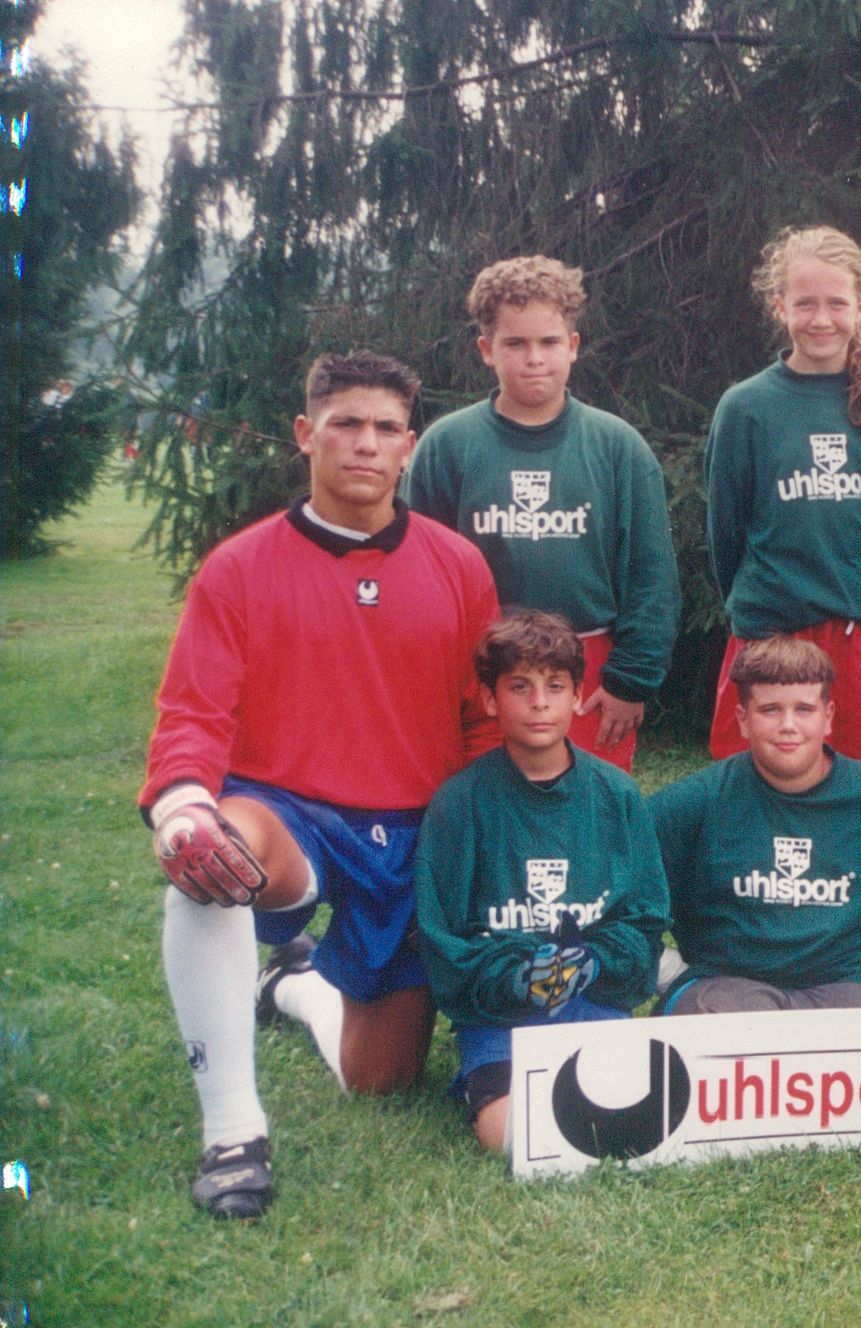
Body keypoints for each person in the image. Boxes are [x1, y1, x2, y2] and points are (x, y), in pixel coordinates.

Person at [141, 352, 498, 1218]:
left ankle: (293, 986)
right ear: (306, 435)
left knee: (381, 1080)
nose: (365, 444)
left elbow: (483, 721)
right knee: (210, 860)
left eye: (385, 429)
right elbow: (192, 711)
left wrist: (492, 835)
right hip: (288, 816)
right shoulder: (239, 566)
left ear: (409, 446)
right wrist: (182, 804)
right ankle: (233, 1132)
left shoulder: (459, 566)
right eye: (346, 424)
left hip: (414, 834)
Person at [403, 255, 680, 770]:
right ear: (487, 350)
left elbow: (652, 577)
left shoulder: (617, 447)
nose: (535, 359)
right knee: (480, 808)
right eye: (515, 343)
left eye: (549, 342)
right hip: (478, 672)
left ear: (572, 346)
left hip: (587, 673)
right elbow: (416, 577)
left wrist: (630, 682)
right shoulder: (446, 447)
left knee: (584, 811)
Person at [413, 610, 669, 1153]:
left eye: (555, 686)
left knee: (627, 1124)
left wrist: (595, 962)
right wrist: (513, 978)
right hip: (500, 1021)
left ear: (577, 697)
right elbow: (443, 942)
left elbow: (646, 922)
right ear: (490, 699)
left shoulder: (617, 796)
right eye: (520, 687)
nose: (539, 703)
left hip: (594, 1004)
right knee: (512, 1136)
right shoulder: (459, 805)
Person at [703, 226, 861, 774]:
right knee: (765, 785)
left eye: (836, 303)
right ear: (780, 306)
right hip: (772, 632)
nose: (821, 319)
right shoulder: (746, 407)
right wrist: (764, 604)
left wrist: (852, 581)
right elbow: (725, 535)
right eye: (805, 303)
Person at [650, 637, 861, 1014]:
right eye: (770, 710)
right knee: (707, 1014)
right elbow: (625, 894)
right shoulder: (693, 803)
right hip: (728, 988)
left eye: (804, 709)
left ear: (828, 716)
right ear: (743, 719)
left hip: (848, 987)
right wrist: (671, 972)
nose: (788, 725)